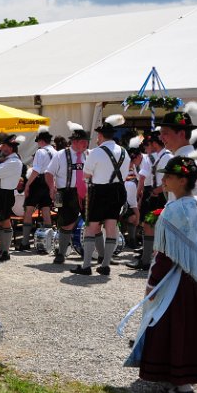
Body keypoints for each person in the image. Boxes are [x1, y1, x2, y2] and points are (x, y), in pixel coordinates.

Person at [119, 156, 197, 393]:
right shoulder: (196, 204)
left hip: (176, 282)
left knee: (172, 327)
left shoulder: (175, 210)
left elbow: (165, 254)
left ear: (183, 180)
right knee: (188, 327)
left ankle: (180, 381)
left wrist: (153, 283)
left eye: (169, 177)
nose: (163, 180)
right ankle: (181, 380)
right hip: (193, 279)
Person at [75, 115, 129, 276]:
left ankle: (86, 266)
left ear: (100, 136)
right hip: (119, 190)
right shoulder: (124, 152)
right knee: (112, 227)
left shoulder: (96, 152)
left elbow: (86, 175)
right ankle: (105, 265)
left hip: (100, 191)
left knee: (92, 227)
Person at [46, 122, 89, 264]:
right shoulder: (60, 155)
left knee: (92, 223)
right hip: (66, 192)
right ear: (75, 142)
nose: (86, 145)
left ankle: (100, 256)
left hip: (86, 193)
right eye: (84, 142)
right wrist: (52, 188)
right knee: (65, 224)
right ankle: (61, 253)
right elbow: (49, 173)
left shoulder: (88, 155)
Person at [131, 131, 171, 270]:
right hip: (160, 194)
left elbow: (143, 178)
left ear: (154, 143)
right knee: (153, 226)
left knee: (154, 227)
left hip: (159, 194)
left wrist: (155, 191)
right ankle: (148, 259)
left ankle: (151, 260)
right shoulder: (162, 156)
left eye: (149, 143)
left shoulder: (160, 157)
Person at [0, 134, 26, 260]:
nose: (2, 148)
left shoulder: (14, 161)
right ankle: (0, 248)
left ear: (11, 148)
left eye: (5, 146)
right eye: (3, 145)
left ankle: (5, 251)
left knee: (5, 221)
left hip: (5, 193)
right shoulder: (2, 160)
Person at [20, 126, 56, 250]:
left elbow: (35, 170)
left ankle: (25, 242)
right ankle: (48, 241)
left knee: (29, 210)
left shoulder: (40, 152)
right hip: (49, 182)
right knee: (46, 210)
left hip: (39, 181)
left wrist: (28, 184)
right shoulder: (55, 152)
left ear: (41, 141)